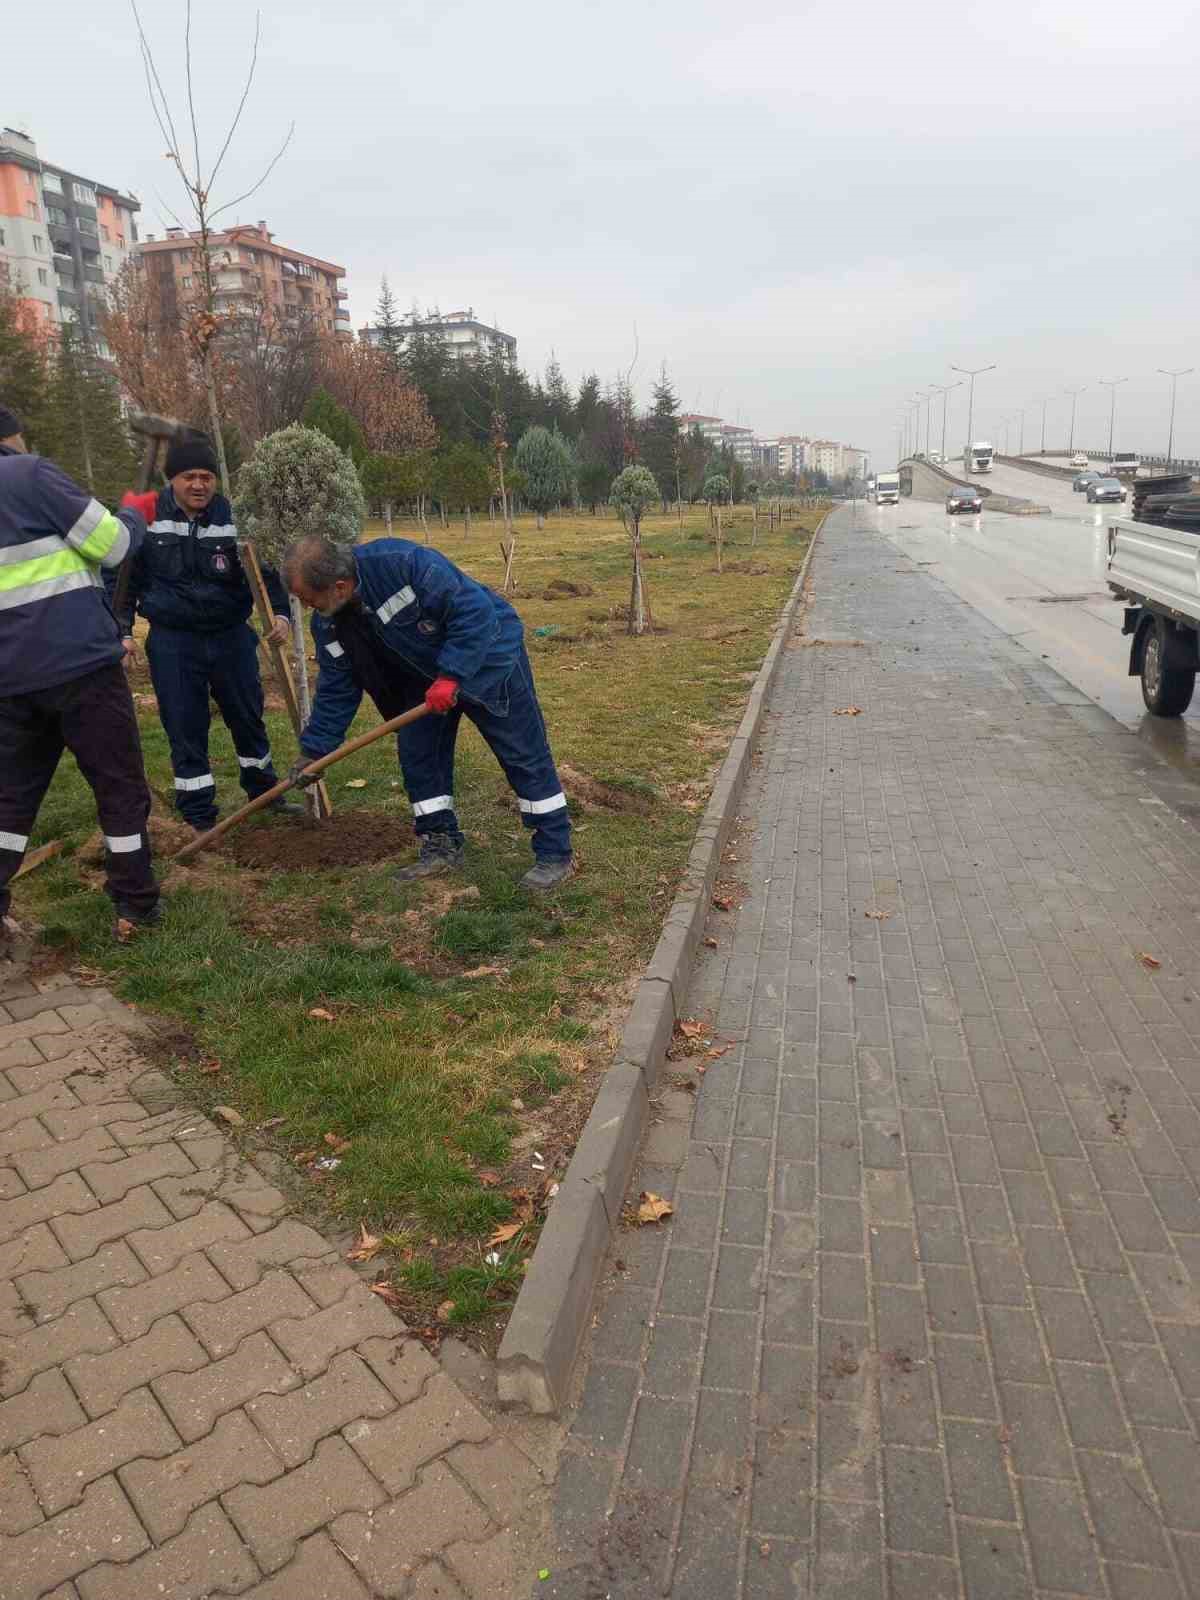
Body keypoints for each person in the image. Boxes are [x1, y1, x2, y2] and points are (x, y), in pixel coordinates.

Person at [283, 533, 574, 891]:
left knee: (523, 754)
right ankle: (441, 845)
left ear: (339, 586)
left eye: (311, 600)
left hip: (489, 661)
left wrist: (452, 675)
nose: (310, 608)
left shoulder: (404, 562)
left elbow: (473, 612)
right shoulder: (329, 624)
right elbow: (336, 688)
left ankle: (554, 851)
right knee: (420, 758)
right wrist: (314, 750)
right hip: (419, 680)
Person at [0, 405, 160, 946]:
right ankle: (134, 908)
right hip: (79, 667)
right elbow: (112, 544)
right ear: (12, 435)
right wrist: (135, 512)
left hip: (9, 679)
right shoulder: (28, 473)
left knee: (8, 800)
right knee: (118, 787)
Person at [115, 432, 301, 834]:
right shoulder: (145, 520)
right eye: (189, 476)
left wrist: (282, 616)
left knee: (248, 717)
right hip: (173, 641)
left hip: (230, 636)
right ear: (172, 480)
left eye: (206, 476)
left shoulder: (236, 519)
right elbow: (123, 580)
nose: (199, 485)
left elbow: (269, 575)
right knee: (184, 725)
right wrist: (122, 631)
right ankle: (198, 813)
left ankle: (264, 793)